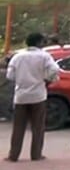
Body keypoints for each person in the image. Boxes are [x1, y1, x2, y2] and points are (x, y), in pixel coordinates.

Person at [6, 32, 59, 162]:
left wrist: (21, 79)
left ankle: (13, 155)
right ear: (40, 43)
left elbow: (10, 76)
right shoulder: (44, 56)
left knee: (18, 127)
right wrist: (46, 78)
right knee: (38, 127)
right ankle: (36, 155)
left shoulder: (18, 57)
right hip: (38, 96)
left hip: (21, 96)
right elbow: (54, 69)